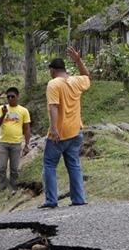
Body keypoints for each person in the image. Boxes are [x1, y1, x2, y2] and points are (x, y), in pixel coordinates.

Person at [39, 47, 91, 209]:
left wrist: (54, 129)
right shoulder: (76, 81)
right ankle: (78, 198)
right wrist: (78, 61)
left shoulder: (54, 84)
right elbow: (87, 76)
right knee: (74, 165)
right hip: (76, 132)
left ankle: (51, 200)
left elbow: (53, 106)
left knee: (49, 164)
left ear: (53, 70)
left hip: (60, 133)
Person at [0, 87, 31, 192]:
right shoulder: (2, 108)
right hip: (3, 143)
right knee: (1, 168)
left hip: (16, 143)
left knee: (14, 169)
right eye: (8, 97)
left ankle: (13, 188)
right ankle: (2, 188)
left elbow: (27, 128)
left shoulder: (23, 111)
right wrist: (4, 114)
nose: (10, 99)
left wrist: (27, 144)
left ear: (17, 97)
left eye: (12, 96)